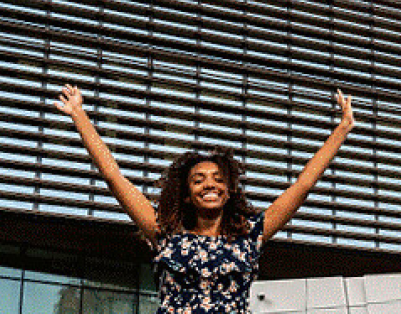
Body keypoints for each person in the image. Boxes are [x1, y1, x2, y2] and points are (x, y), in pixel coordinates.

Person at [54, 84, 355, 313]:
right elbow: (113, 177)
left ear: (229, 191)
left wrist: (342, 129)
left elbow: (302, 186)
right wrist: (80, 116)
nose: (209, 185)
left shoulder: (250, 235)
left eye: (218, 179)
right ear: (186, 195)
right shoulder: (164, 233)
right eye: (199, 180)